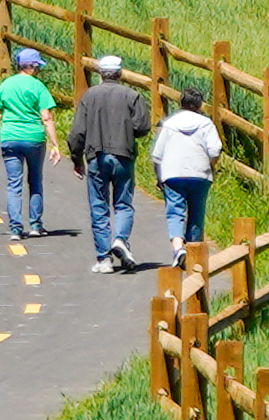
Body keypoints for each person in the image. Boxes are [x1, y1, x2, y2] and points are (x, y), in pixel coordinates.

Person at [70, 52, 148, 271]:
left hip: (96, 155)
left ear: (100, 74)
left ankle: (104, 258)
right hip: (124, 154)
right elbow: (142, 127)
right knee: (123, 203)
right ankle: (120, 239)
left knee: (99, 205)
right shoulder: (132, 96)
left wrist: (76, 159)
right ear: (120, 74)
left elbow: (77, 132)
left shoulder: (88, 96)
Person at [0, 47, 56, 237]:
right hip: (34, 138)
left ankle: (15, 228)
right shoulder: (38, 87)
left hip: (10, 137)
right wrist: (55, 144)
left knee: (13, 184)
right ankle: (35, 225)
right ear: (32, 67)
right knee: (35, 181)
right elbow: (46, 117)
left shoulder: (7, 84)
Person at [150, 87, 221, 260]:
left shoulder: (170, 123)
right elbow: (215, 149)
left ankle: (178, 248)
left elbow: (157, 155)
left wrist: (158, 176)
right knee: (196, 213)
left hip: (172, 174)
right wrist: (210, 166)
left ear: (180, 102)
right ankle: (194, 253)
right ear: (200, 105)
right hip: (200, 174)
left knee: (175, 212)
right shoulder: (206, 124)